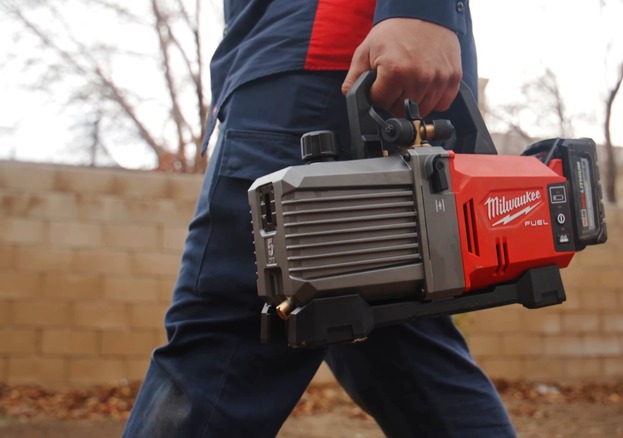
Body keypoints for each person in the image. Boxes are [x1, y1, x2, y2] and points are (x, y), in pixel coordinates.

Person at [123, 1, 516, 436]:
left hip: (336, 67)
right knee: (409, 361)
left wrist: (419, 9)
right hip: (315, 66)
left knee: (224, 348)